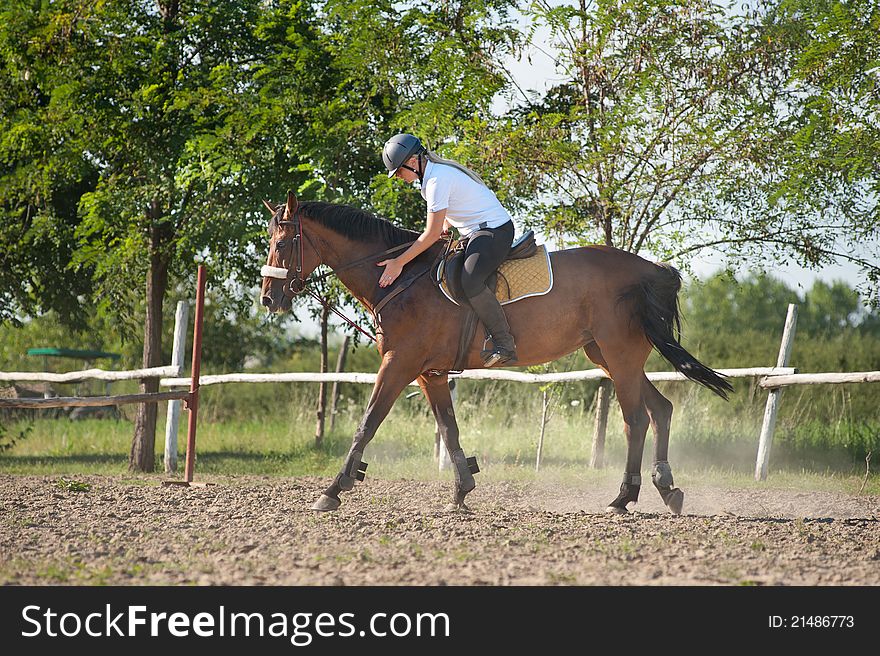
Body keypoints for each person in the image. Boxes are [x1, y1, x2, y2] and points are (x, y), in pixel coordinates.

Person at [378, 133, 517, 367]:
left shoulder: (436, 181)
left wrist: (399, 262)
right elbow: (456, 208)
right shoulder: (431, 178)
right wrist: (445, 225)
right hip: (473, 232)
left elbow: (430, 235)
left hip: (494, 231)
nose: (399, 177)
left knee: (470, 280)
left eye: (399, 171)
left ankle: (504, 343)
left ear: (412, 162)